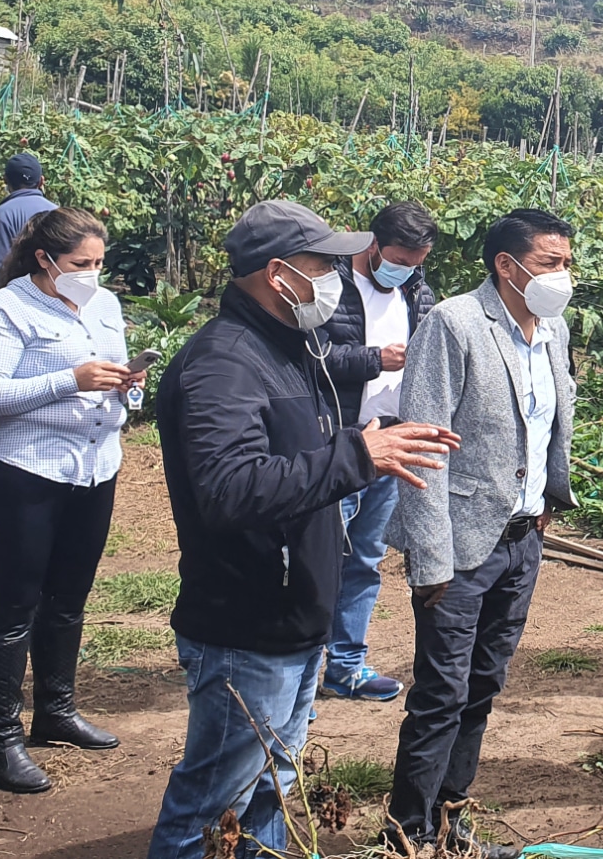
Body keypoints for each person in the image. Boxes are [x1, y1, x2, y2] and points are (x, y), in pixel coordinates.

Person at [147, 201, 458, 859]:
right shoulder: (224, 364)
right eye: (322, 266)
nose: (337, 277)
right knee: (211, 805)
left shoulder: (290, 348)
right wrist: (356, 456)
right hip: (245, 623)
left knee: (269, 789)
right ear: (277, 274)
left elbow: (293, 458)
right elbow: (228, 490)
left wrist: (361, 443)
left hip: (292, 618)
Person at [384, 210, 577, 858]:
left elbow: (552, 417)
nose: (563, 275)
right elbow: (421, 444)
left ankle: (450, 822)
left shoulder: (552, 328)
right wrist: (430, 558)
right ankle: (408, 834)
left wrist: (549, 493)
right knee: (442, 693)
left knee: (484, 686)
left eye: (566, 262)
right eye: (551, 262)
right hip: (460, 546)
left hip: (521, 541)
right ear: (506, 264)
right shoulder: (455, 325)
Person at [0, 208, 141, 793]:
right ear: (45, 260)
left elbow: (112, 376)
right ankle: (2, 742)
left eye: (98, 263)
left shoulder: (106, 306)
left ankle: (55, 713)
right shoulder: (8, 308)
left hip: (95, 469)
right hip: (29, 472)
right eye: (79, 264)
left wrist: (127, 388)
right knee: (14, 607)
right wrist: (71, 378)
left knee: (68, 598)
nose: (91, 274)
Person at [316, 202, 440, 704]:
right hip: (339, 441)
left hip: (391, 441)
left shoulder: (416, 288)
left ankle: (346, 665)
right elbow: (311, 355)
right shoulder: (330, 284)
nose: (408, 268)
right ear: (373, 245)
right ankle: (299, 665)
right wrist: (376, 359)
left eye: (417, 260)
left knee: (365, 559)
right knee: (318, 556)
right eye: (400, 258)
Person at [0, 153, 60, 308]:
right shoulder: (57, 212)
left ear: (5, 181)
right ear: (41, 181)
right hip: (53, 296)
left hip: (17, 300)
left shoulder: (5, 213)